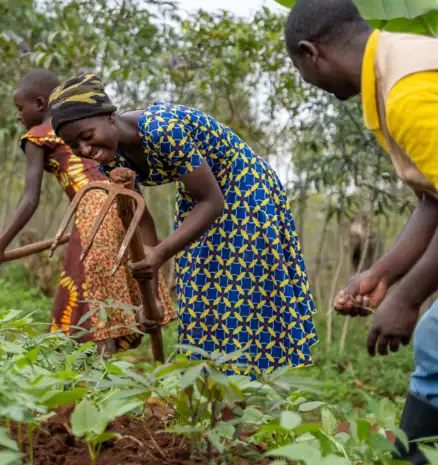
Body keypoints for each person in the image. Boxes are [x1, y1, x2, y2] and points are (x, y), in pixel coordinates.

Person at [49, 73, 318, 377]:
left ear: (111, 116)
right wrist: (150, 299)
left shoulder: (162, 131)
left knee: (237, 292)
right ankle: (208, 390)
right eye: (73, 145)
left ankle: (242, 395)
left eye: (86, 136)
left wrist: (161, 254)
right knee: (197, 292)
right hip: (197, 197)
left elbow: (212, 202)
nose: (84, 150)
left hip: (244, 190)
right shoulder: (112, 160)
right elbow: (141, 220)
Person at [285, 0, 438, 464]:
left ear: (311, 54)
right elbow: (437, 199)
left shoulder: (407, 90)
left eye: (300, 71)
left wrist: (407, 298)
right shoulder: (401, 62)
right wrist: (384, 274)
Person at [0, 69, 176, 355]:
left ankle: (92, 374)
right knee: (129, 285)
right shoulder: (84, 131)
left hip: (93, 209)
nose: (17, 116)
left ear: (39, 104)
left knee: (87, 295)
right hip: (126, 204)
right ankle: (146, 368)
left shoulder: (36, 136)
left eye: (19, 108)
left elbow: (30, 200)